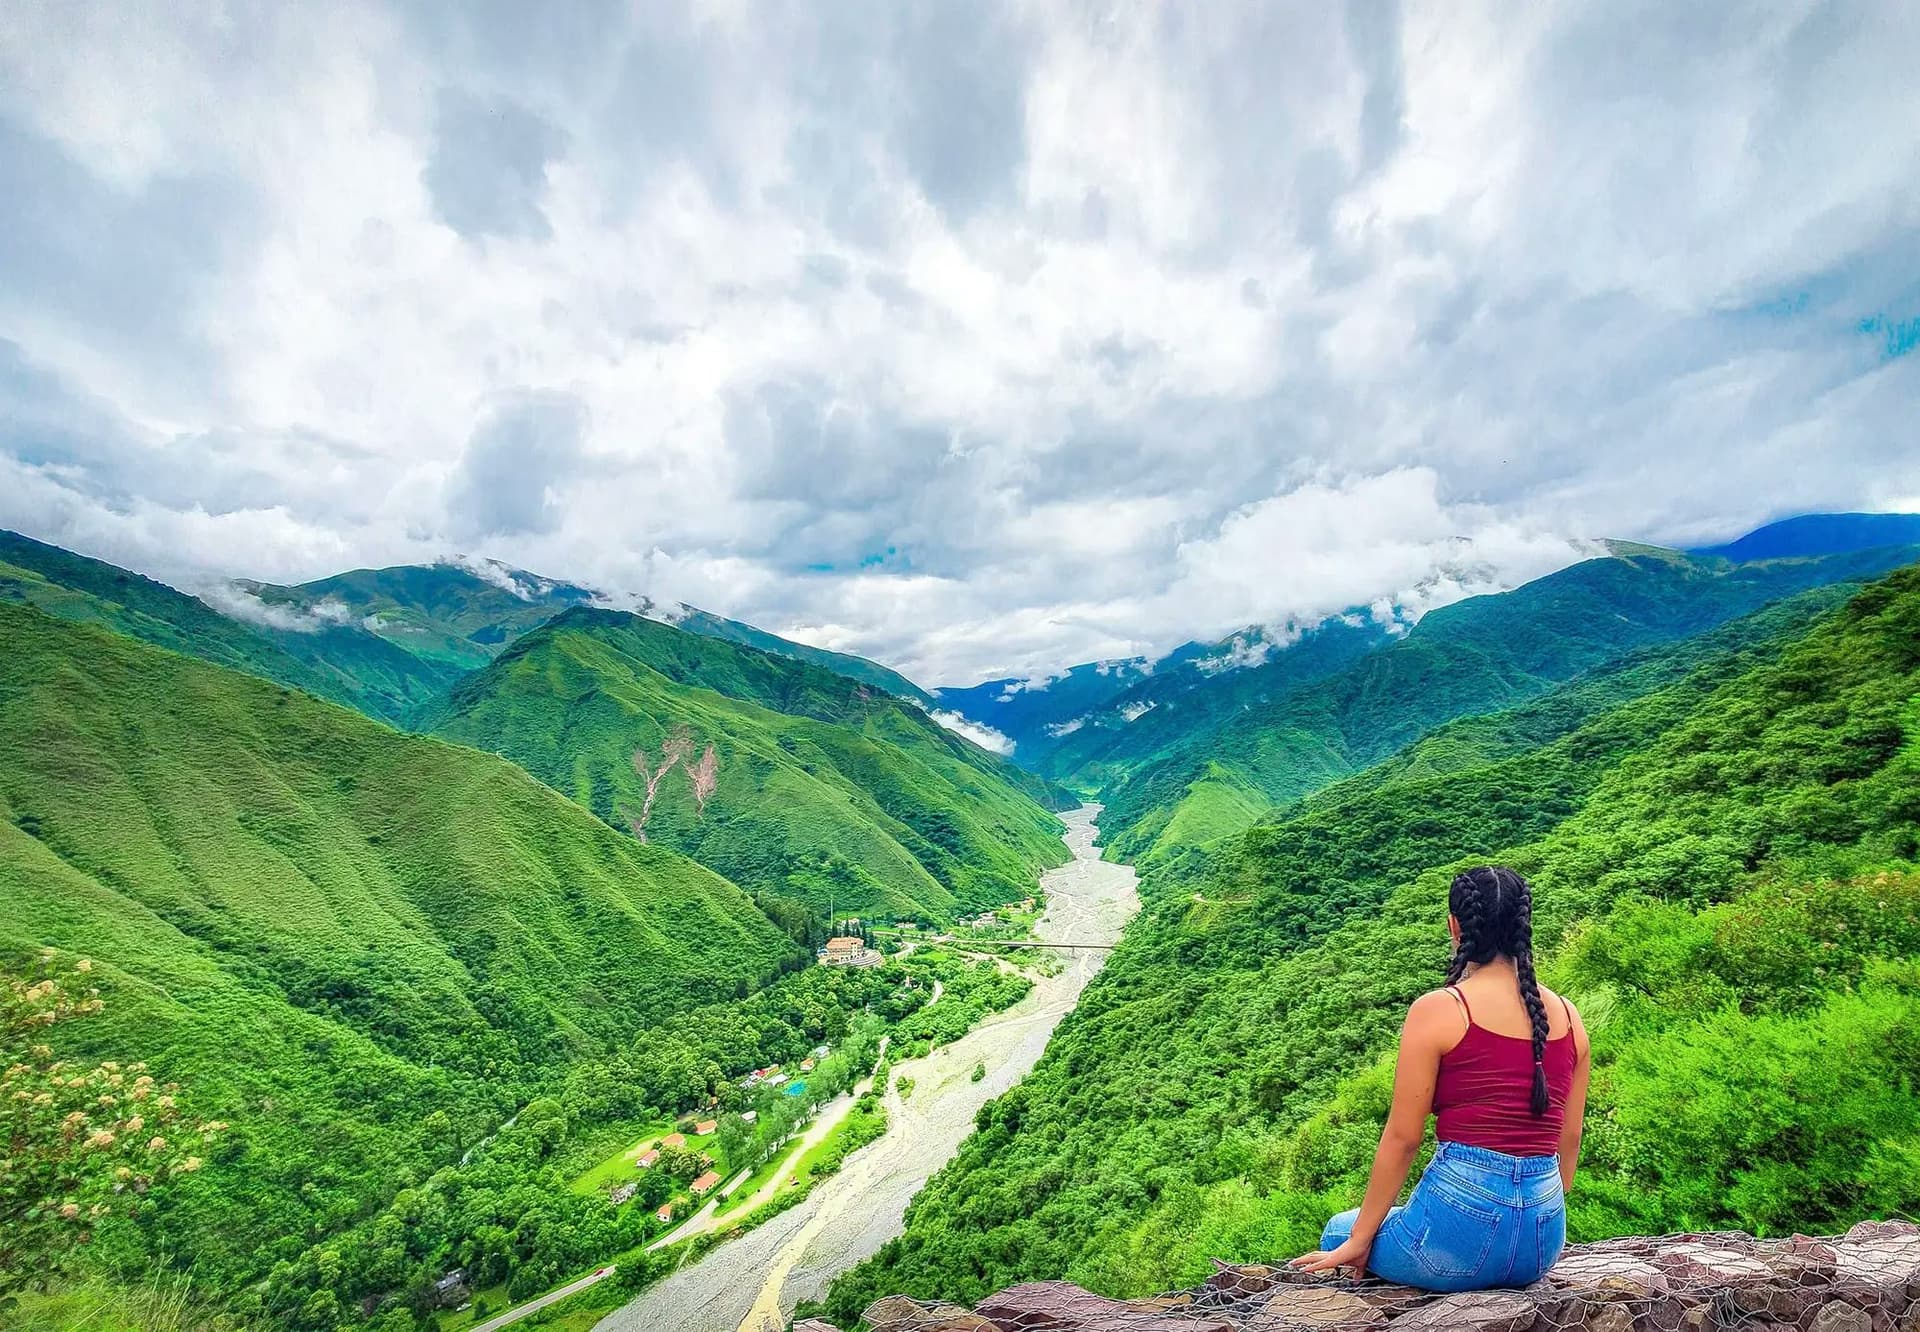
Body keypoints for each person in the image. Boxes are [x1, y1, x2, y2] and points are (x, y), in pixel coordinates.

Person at [1290, 865, 1590, 1291]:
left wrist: (1359, 1240)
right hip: (1541, 1243)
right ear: (1524, 927)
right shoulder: (1570, 1018)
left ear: (1455, 926)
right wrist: (1524, 1214)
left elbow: (1404, 1137)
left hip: (1463, 1222)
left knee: (1341, 1229)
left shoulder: (1442, 1008)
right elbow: (1570, 1141)